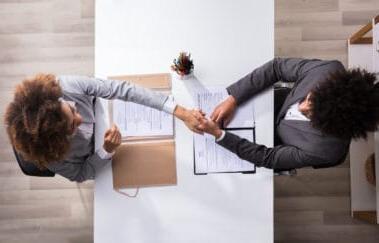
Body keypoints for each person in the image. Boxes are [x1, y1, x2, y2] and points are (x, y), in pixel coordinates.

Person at [5, 74, 204, 182]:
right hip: (109, 159)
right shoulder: (51, 157)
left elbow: (120, 89)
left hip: (110, 113)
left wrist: (181, 112)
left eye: (72, 109)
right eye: (73, 126)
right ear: (58, 142)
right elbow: (80, 174)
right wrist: (105, 151)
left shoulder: (65, 87)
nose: (80, 118)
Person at [198, 58, 379, 170]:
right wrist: (234, 98)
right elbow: (276, 67)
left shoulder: (326, 150)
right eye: (310, 98)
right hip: (264, 104)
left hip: (270, 142)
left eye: (310, 115)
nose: (302, 108)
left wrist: (219, 135)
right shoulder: (327, 70)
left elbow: (267, 158)